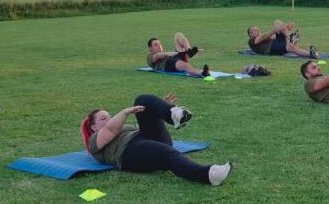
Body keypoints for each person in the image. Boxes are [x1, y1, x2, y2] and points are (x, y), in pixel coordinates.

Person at [82, 93, 232, 186]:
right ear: (94, 127)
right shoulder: (95, 140)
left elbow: (146, 124)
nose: (109, 119)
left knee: (142, 100)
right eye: (103, 118)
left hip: (143, 140)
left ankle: (173, 114)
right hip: (130, 154)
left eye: (109, 116)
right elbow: (110, 129)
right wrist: (124, 112)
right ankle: (207, 175)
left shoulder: (123, 127)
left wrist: (159, 106)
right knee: (167, 154)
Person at [146, 33, 211, 78]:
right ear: (150, 48)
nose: (159, 46)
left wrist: (180, 53)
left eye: (160, 44)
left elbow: (168, 54)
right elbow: (158, 56)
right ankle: (203, 73)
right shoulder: (149, 56)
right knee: (183, 64)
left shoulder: (168, 54)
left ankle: (189, 51)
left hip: (175, 57)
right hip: (167, 64)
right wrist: (174, 53)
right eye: (156, 45)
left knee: (178, 35)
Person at [246, 20, 318, 58]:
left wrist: (286, 28)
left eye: (257, 29)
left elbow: (274, 35)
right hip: (271, 48)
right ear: (250, 34)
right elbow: (264, 37)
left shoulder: (263, 36)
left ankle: (290, 37)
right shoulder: (252, 41)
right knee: (291, 48)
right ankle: (292, 39)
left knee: (277, 22)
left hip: (276, 43)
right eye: (254, 30)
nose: (257, 30)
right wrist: (277, 29)